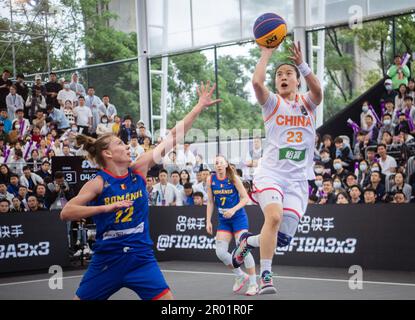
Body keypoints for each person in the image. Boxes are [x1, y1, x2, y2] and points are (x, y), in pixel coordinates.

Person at [60, 80, 220, 300]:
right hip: (108, 260)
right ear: (107, 154)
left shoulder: (139, 169)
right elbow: (67, 212)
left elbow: (173, 137)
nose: (127, 147)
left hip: (141, 258)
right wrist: (106, 208)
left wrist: (199, 106)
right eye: (120, 144)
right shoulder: (99, 182)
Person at [232, 41, 322, 294]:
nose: (283, 77)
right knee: (273, 217)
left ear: (297, 80)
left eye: (288, 74)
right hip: (271, 174)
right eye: (279, 75)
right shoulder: (272, 103)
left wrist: (302, 65)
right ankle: (266, 276)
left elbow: (319, 91)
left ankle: (246, 242)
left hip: (298, 179)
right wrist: (266, 53)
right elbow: (257, 83)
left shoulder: (308, 103)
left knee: (282, 238)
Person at [206, 155, 258, 296]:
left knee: (243, 249)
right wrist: (208, 221)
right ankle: (240, 275)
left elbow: (245, 198)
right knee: (220, 252)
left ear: (226, 164)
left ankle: (253, 284)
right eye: (216, 163)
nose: (219, 165)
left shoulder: (233, 178)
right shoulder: (210, 179)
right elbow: (210, 202)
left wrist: (233, 209)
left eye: (221, 162)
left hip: (238, 218)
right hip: (224, 220)